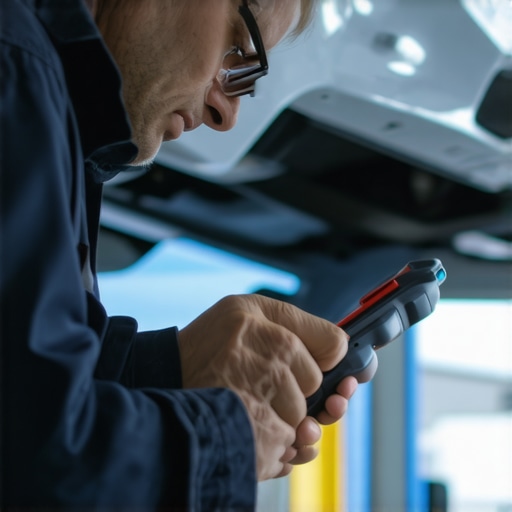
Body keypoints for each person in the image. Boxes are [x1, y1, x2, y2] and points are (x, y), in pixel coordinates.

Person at [0, 0, 371, 509]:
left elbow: (23, 386)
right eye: (237, 50)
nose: (226, 112)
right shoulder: (15, 71)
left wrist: (170, 367)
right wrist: (227, 439)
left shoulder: (40, 94)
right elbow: (34, 462)